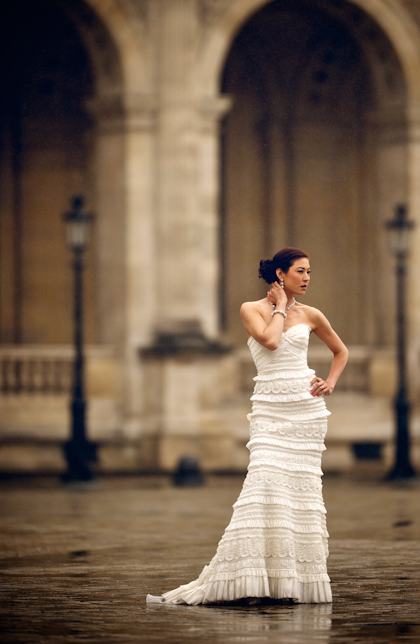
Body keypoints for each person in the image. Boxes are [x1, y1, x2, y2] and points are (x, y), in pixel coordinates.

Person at [147, 247, 348, 605]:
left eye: (309, 271)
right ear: (280, 275)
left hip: (305, 412)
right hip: (270, 411)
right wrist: (281, 308)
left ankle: (291, 583)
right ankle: (250, 579)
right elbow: (270, 341)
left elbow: (340, 351)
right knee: (264, 484)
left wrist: (329, 382)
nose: (306, 277)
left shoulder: (312, 314)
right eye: (300, 271)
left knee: (300, 496)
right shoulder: (251, 309)